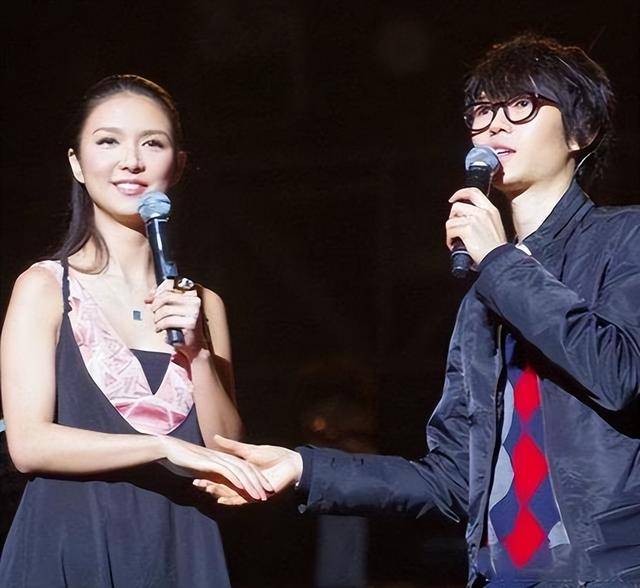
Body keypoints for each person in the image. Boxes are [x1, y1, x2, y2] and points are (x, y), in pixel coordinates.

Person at [193, 35, 640, 586]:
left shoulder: (626, 239)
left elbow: (620, 373)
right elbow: (453, 479)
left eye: (521, 105)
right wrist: (306, 468)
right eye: (482, 111)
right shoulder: (483, 296)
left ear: (581, 130)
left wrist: (500, 261)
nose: (494, 126)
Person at [0, 74, 272, 588]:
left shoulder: (204, 304)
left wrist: (197, 354)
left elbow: (226, 450)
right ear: (77, 163)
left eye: (152, 143)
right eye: (108, 141)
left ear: (179, 165)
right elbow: (28, 443)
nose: (131, 161)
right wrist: (160, 446)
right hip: (73, 538)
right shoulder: (44, 287)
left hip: (181, 542)